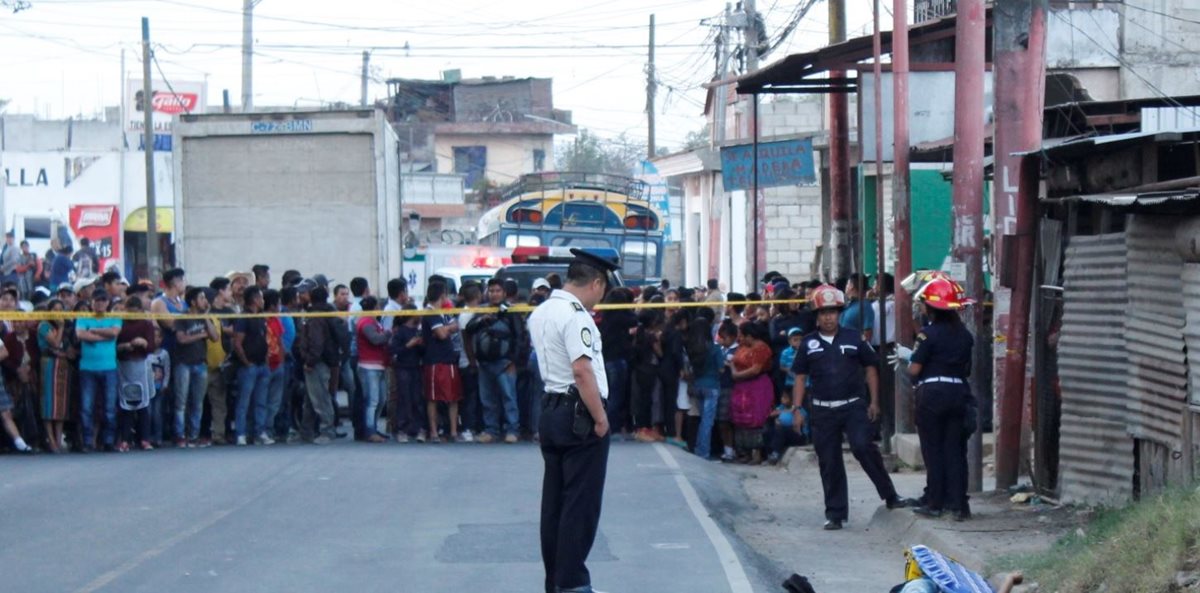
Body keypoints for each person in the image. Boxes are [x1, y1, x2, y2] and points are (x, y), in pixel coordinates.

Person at [527, 248, 618, 593]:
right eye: (603, 289)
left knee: (555, 505)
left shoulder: (542, 310)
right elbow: (582, 371)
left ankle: (556, 582)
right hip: (579, 414)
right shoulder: (576, 315)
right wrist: (600, 419)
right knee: (580, 505)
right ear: (596, 282)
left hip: (551, 409)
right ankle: (573, 583)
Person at [791, 284, 915, 530]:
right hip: (822, 410)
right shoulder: (807, 344)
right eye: (824, 312)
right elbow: (800, 378)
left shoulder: (854, 338)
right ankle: (835, 513)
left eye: (833, 312)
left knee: (863, 447)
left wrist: (874, 401)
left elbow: (870, 368)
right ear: (816, 315)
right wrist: (796, 409)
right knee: (829, 460)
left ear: (840, 313)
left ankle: (890, 495)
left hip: (853, 406)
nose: (829, 317)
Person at [890, 277, 976, 522]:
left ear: (931, 308)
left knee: (933, 450)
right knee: (955, 451)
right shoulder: (965, 336)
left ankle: (935, 503)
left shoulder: (927, 335)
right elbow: (966, 369)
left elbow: (915, 370)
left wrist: (910, 357)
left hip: (932, 396)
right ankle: (959, 505)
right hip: (959, 393)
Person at [468, 279, 523, 444]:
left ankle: (512, 430)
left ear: (504, 293)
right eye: (491, 291)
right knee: (487, 400)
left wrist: (514, 361)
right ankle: (491, 430)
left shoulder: (511, 312)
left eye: (498, 291)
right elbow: (469, 328)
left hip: (505, 363)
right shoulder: (482, 310)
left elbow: (520, 337)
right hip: (484, 363)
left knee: (509, 398)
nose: (494, 294)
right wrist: (481, 320)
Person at [75, 290, 122, 452]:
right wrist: (104, 334)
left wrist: (93, 331)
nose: (100, 303)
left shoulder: (114, 317)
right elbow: (81, 334)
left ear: (108, 303)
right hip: (87, 368)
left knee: (110, 407)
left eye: (103, 300)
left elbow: (114, 333)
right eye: (97, 300)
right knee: (86, 407)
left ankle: (109, 440)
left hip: (109, 367)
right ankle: (87, 441)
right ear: (91, 302)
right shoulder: (83, 317)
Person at [174, 287, 216, 448]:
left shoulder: (204, 318)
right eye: (201, 298)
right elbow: (182, 339)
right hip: (183, 364)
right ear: (192, 301)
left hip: (200, 364)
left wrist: (206, 318)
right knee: (181, 402)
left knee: (197, 402)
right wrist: (200, 335)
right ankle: (180, 435)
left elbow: (214, 337)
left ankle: (194, 435)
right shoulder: (182, 318)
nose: (205, 301)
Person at [420, 281, 461, 442]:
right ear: (442, 295)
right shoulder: (430, 313)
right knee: (433, 397)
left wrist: (446, 328)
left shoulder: (444, 313)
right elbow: (442, 334)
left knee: (453, 397)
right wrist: (447, 329)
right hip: (434, 360)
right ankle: (434, 432)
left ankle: (453, 432)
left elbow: (454, 326)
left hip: (449, 359)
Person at [728, 321, 774, 464]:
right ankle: (745, 452)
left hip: (757, 386)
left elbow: (755, 369)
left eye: (742, 336)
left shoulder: (761, 348)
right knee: (741, 418)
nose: (739, 339)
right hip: (742, 387)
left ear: (750, 336)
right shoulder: (743, 347)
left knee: (756, 418)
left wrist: (735, 374)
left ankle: (757, 454)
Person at [116, 296, 156, 452]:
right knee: (125, 405)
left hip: (141, 365)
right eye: (129, 312)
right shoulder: (120, 323)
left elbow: (151, 346)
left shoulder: (146, 324)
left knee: (144, 405)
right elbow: (114, 346)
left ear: (140, 310)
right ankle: (125, 439)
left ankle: (145, 439)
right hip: (124, 365)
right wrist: (125, 346)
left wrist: (143, 343)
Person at [232, 286, 271, 446]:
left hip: (262, 364)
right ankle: (241, 433)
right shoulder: (243, 318)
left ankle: (259, 432)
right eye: (261, 298)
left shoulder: (261, 317)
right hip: (249, 366)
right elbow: (237, 343)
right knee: (244, 401)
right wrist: (246, 361)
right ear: (255, 299)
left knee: (261, 401)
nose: (263, 301)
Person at [597, 287, 637, 438]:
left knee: (609, 395)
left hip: (606, 360)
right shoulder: (621, 317)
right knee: (616, 396)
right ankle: (611, 427)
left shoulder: (606, 317)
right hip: (617, 360)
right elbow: (634, 319)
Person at [37, 299, 73, 453]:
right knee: (48, 402)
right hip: (49, 365)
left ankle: (59, 439)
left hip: (63, 366)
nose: (58, 312)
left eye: (60, 309)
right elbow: (56, 343)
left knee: (60, 404)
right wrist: (61, 326)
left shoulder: (64, 326)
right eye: (55, 309)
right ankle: (51, 439)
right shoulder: (44, 326)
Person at [354, 296, 390, 442]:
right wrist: (388, 333)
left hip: (379, 364)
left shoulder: (373, 321)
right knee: (372, 400)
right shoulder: (366, 322)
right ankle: (369, 430)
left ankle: (373, 427)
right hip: (368, 366)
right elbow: (375, 339)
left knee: (381, 399)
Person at [688, 317, 724, 461]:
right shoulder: (715, 348)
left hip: (697, 385)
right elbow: (721, 369)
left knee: (701, 418)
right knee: (707, 421)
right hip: (712, 386)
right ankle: (703, 452)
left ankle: (698, 448)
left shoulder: (692, 349)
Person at [389, 304, 424, 443]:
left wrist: (421, 345)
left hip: (416, 366)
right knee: (404, 398)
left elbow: (422, 351)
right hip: (403, 367)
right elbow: (393, 351)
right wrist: (408, 345)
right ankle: (401, 428)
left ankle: (417, 427)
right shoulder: (400, 332)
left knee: (417, 398)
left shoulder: (418, 330)